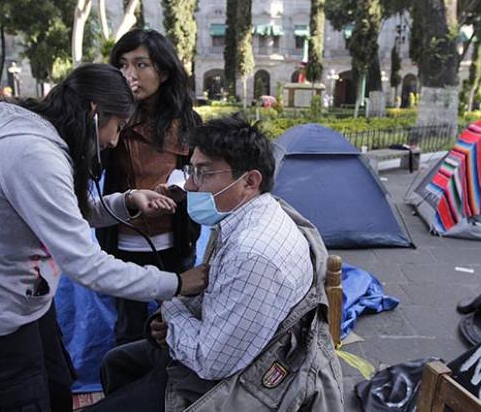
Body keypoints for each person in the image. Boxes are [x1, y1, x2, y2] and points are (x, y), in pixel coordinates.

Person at [0, 63, 208, 412]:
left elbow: (62, 213)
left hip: (23, 302)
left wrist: (127, 201)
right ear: (94, 113)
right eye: (117, 127)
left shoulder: (38, 139)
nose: (113, 140)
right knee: (23, 401)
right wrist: (175, 283)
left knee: (55, 388)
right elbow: (87, 266)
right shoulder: (33, 154)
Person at [87, 117, 344, 412]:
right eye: (191, 170)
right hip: (231, 353)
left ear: (250, 181)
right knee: (116, 362)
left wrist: (170, 312)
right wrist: (172, 320)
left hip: (239, 385)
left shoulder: (253, 253)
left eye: (203, 174)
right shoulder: (244, 215)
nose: (189, 185)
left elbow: (211, 363)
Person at [97, 28, 201, 345]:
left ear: (164, 71)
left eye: (141, 65)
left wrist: (181, 184)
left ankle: (169, 389)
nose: (131, 75)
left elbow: (201, 171)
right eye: (123, 65)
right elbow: (88, 172)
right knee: (128, 328)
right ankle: (127, 384)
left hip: (175, 240)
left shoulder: (189, 122)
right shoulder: (110, 118)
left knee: (174, 322)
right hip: (123, 242)